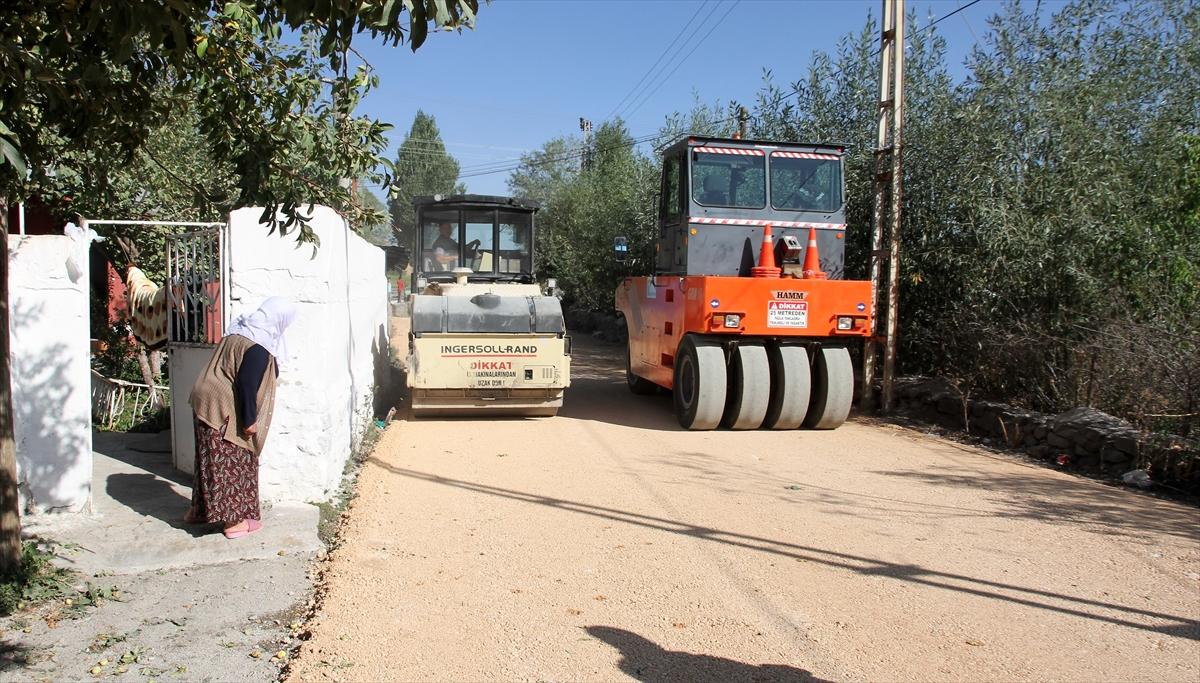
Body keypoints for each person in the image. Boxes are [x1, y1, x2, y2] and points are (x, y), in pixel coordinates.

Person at [185, 297, 297, 539]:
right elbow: (246, 383)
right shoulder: (258, 345)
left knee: (208, 457)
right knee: (231, 462)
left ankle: (198, 511)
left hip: (205, 399)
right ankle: (233, 522)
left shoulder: (239, 330)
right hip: (222, 404)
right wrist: (248, 421)